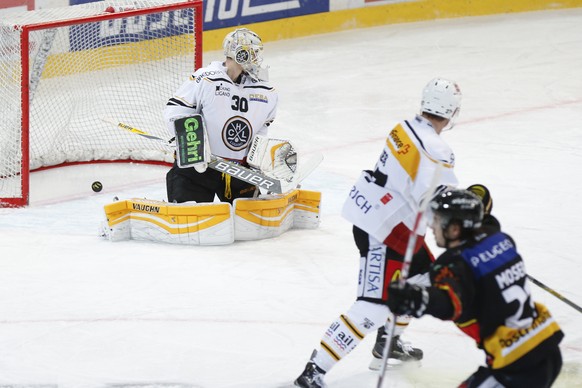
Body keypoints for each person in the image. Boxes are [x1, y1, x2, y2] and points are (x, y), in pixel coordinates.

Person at [294, 78, 462, 388]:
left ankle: (390, 342)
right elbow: (437, 199)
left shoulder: (405, 127)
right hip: (386, 231)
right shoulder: (438, 149)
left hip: (385, 218)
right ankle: (313, 370)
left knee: (426, 277)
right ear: (452, 111)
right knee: (372, 306)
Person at [386, 188, 564, 387]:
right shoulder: (501, 239)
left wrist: (417, 299)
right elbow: (489, 225)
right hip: (548, 350)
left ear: (454, 229)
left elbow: (450, 301)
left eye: (437, 220)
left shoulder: (454, 263)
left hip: (517, 367)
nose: (431, 226)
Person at [164, 28, 278, 204]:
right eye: (253, 53)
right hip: (197, 169)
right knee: (192, 224)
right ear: (241, 54)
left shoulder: (265, 92)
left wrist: (256, 161)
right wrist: (192, 147)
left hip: (239, 171)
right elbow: (177, 110)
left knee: (250, 224)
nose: (257, 59)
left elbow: (262, 130)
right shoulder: (207, 78)